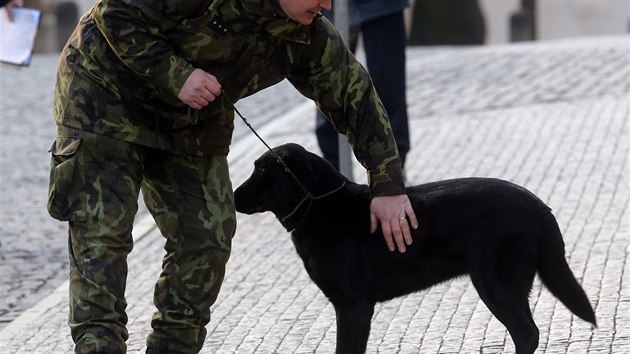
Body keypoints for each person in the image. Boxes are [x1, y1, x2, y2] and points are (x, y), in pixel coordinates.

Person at [48, 0, 418, 353]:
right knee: (102, 237)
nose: (327, 7)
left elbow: (355, 96)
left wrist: (387, 186)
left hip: (190, 125)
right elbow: (117, 14)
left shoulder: (306, 32)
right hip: (103, 101)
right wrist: (176, 74)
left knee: (207, 237)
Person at [315, 0, 410, 172]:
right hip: (328, 7)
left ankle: (393, 169)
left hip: (383, 6)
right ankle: (333, 167)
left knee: (388, 83)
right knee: (329, 84)